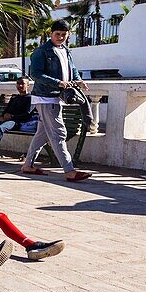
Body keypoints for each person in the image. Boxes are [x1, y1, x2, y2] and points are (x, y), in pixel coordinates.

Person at [23, 20, 92, 181]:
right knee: (59, 133)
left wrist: (79, 80)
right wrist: (58, 82)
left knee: (42, 134)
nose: (60, 37)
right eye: (57, 34)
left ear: (68, 35)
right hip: (46, 97)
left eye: (63, 35)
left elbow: (72, 69)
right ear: (51, 34)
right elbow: (35, 74)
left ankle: (27, 165)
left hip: (56, 97)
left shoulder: (66, 51)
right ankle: (69, 170)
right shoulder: (41, 52)